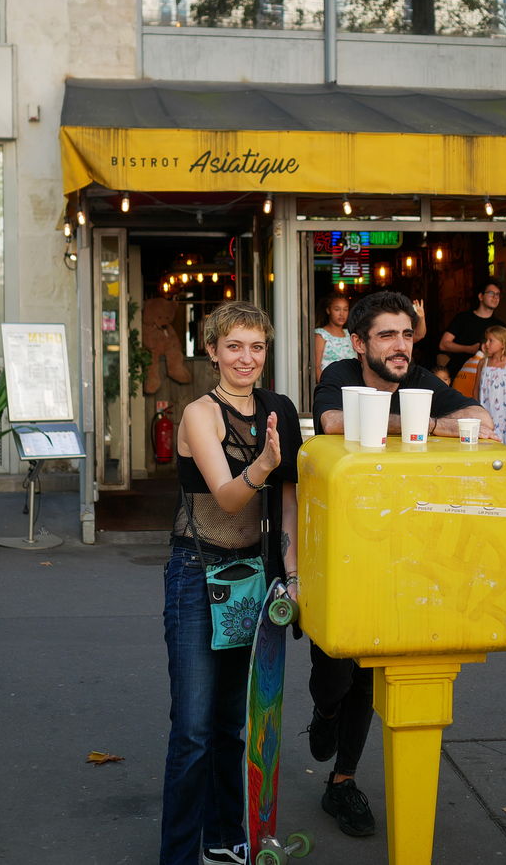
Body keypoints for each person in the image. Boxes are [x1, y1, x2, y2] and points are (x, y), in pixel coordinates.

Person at [308, 291, 492, 839]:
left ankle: (342, 782)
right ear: (359, 342)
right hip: (342, 549)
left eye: (407, 334)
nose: (400, 345)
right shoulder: (341, 373)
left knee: (371, 672)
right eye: (386, 335)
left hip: (402, 549)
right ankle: (324, 713)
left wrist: (428, 422)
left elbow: (479, 417)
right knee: (334, 674)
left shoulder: (418, 380)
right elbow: (331, 420)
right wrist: (419, 423)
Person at [161, 301, 302, 865]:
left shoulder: (278, 409)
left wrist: (292, 575)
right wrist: (263, 463)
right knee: (193, 730)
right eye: (235, 346)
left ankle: (223, 839)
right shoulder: (200, 413)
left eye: (257, 347)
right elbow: (226, 497)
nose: (247, 358)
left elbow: (288, 502)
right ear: (213, 351)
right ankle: (178, 856)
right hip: (197, 574)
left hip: (251, 576)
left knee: (228, 723)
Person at [438, 280, 506, 369]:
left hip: (485, 374)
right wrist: (469, 349)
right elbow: (443, 345)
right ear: (481, 296)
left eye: (497, 294)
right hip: (459, 371)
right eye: (491, 293)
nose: (495, 297)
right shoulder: (462, 318)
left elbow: (504, 353)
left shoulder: (500, 326)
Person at [314, 294, 355, 378]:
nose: (342, 314)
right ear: (328, 310)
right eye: (337, 309)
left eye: (345, 309)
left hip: (351, 383)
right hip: (331, 382)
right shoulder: (321, 335)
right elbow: (316, 367)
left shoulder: (350, 334)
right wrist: (324, 384)